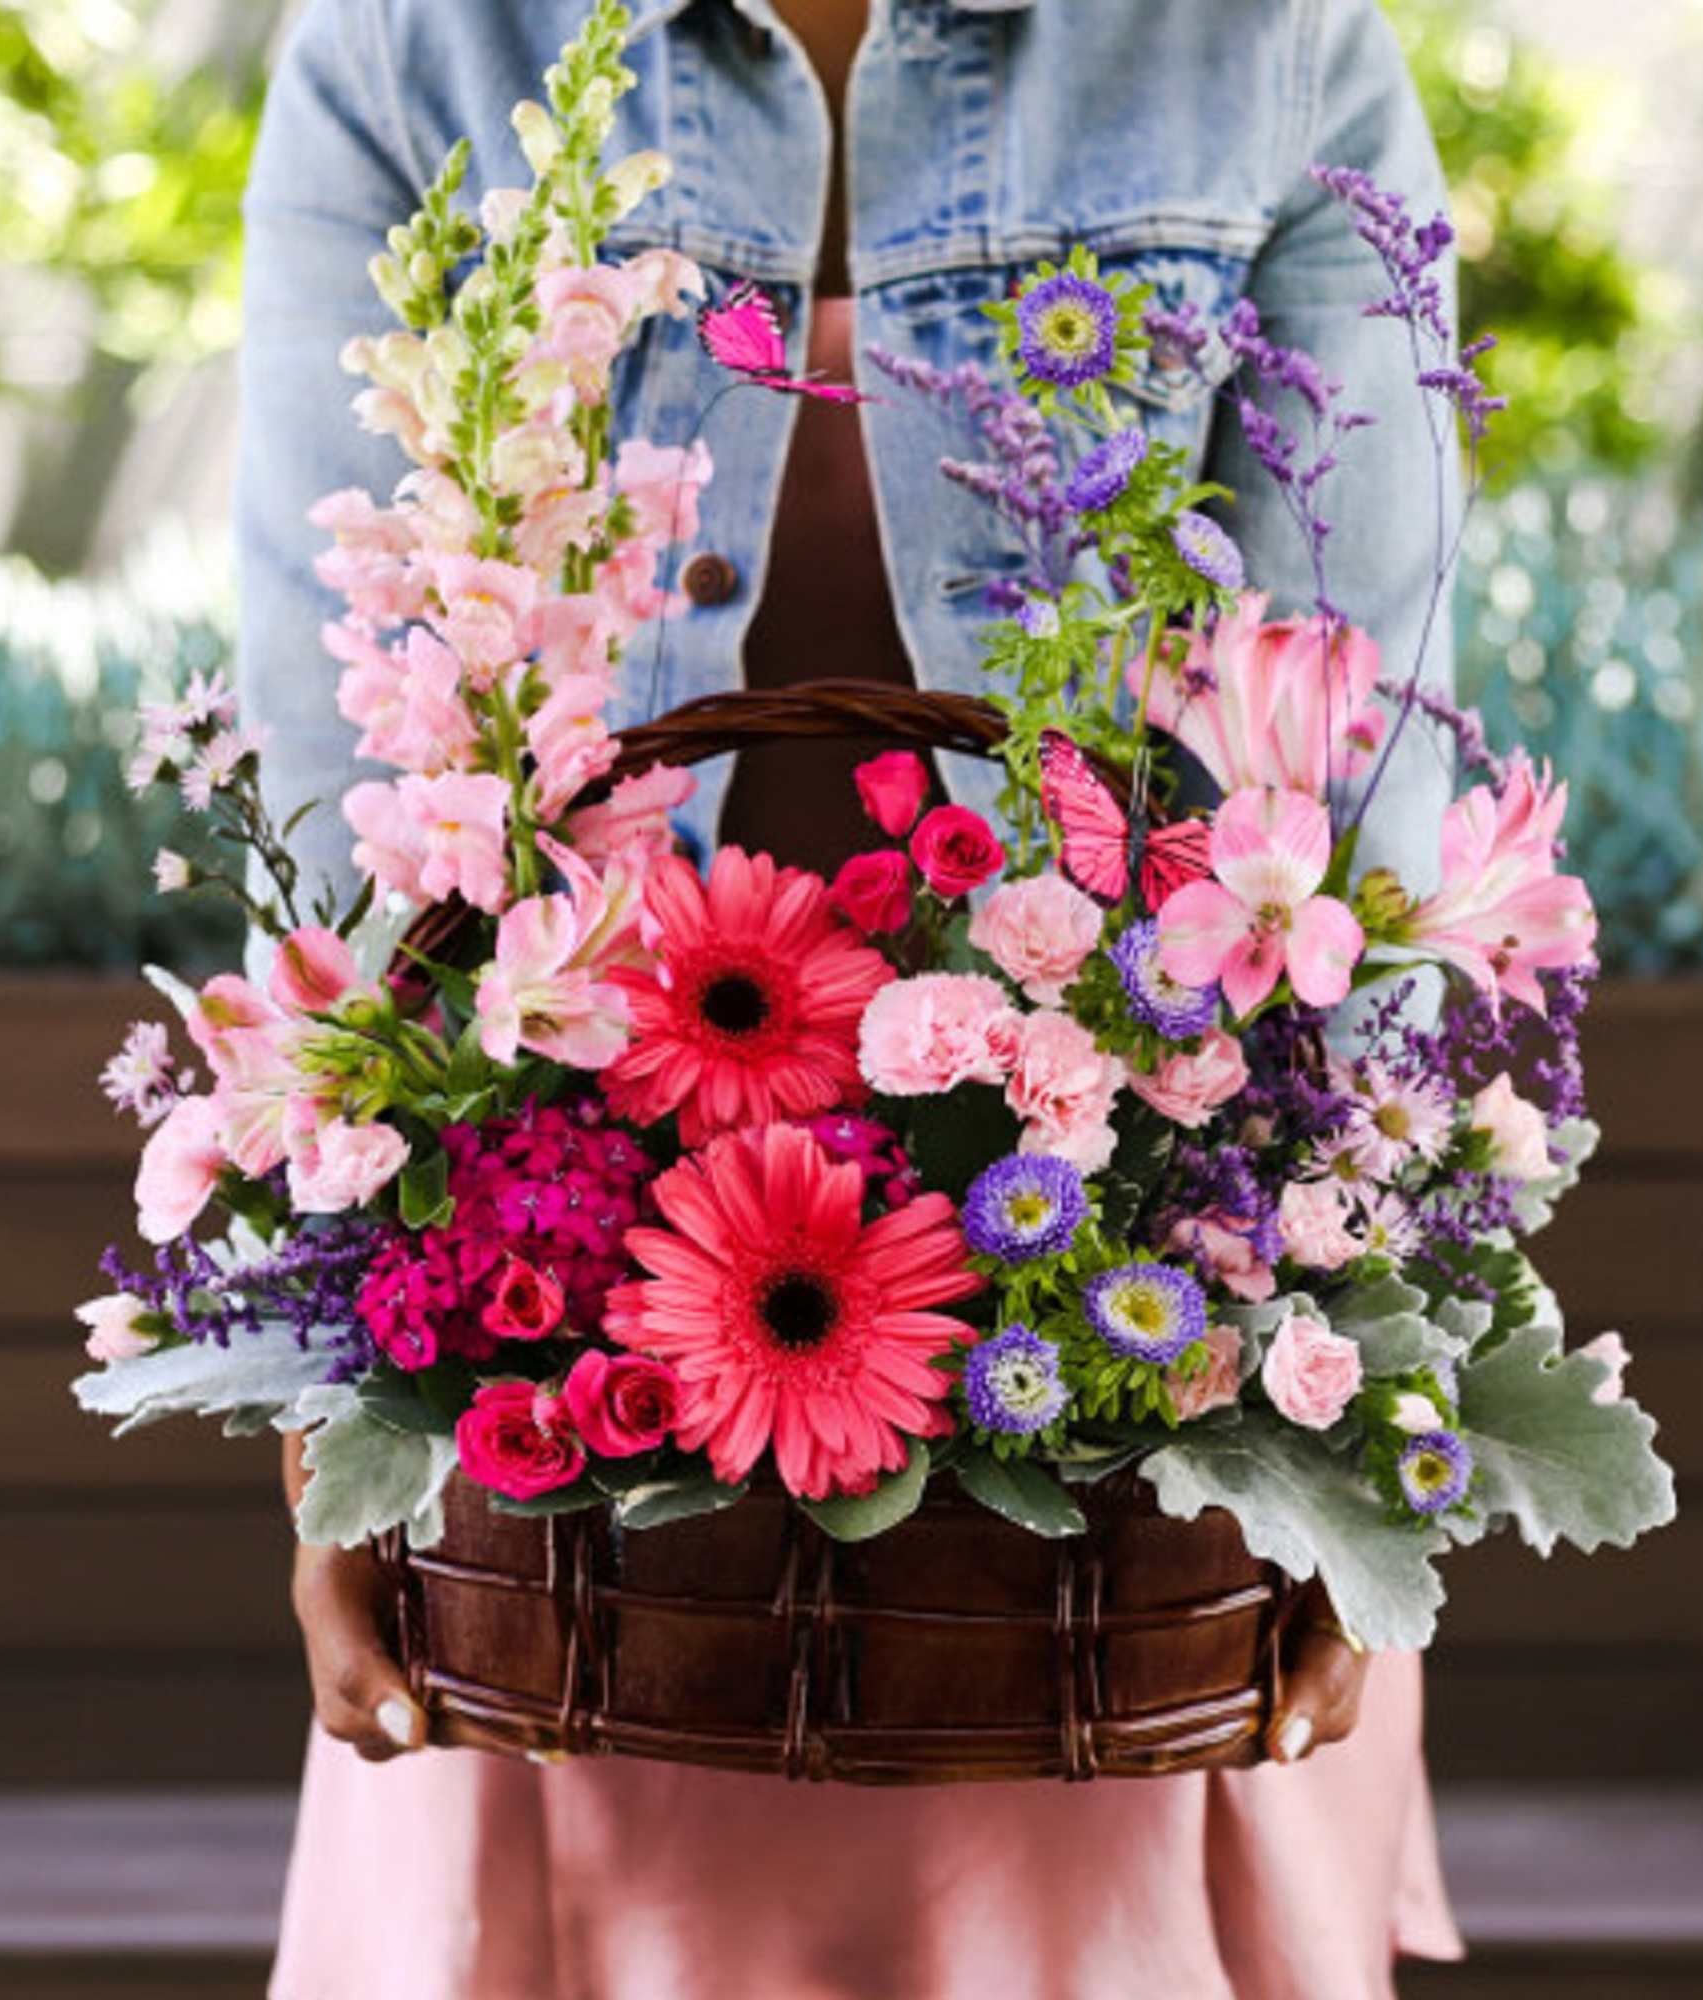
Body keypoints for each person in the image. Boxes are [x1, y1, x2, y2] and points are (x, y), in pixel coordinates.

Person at [241, 3, 1465, 1994]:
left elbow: (1356, 773)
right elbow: (341, 793)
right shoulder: (415, 43)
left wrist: (1369, 1420)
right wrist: (337, 1406)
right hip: (572, 1405)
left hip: (1112, 1411)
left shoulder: (1265, 36)